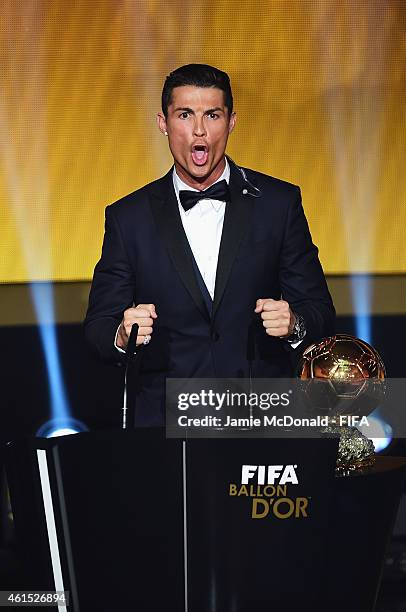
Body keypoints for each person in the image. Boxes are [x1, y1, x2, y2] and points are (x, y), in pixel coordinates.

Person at [84, 63, 335, 426]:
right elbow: (97, 327)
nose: (199, 130)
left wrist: (295, 323)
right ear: (163, 123)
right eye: (185, 114)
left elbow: (320, 310)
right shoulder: (128, 218)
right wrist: (122, 335)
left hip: (262, 421)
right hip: (167, 428)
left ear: (231, 121)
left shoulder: (278, 204)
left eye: (212, 115)